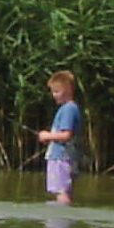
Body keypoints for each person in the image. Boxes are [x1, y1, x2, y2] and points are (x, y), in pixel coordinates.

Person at [34, 70, 82, 205]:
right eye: (53, 92)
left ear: (68, 89)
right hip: (65, 157)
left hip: (61, 157)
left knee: (61, 191)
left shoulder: (68, 109)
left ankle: (61, 221)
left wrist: (47, 135)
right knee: (63, 191)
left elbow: (66, 134)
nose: (54, 95)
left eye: (57, 91)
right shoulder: (70, 108)